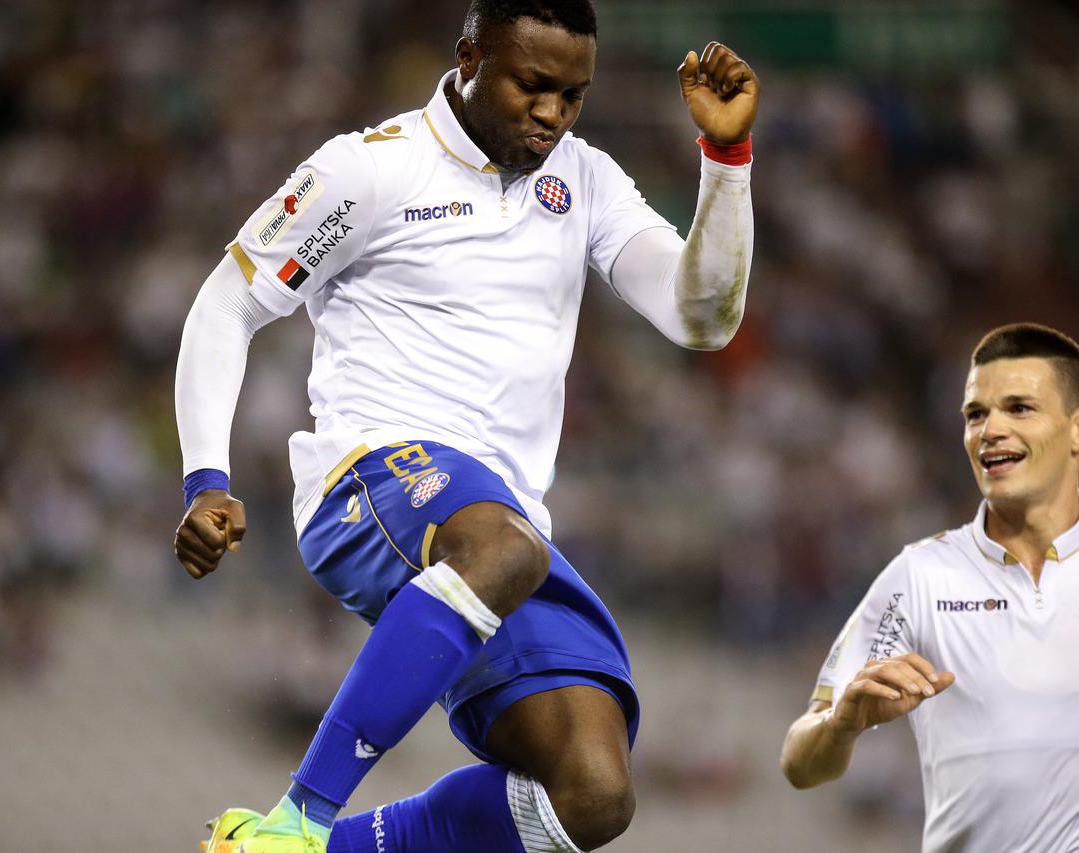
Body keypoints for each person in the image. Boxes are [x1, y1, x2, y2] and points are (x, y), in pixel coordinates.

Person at [174, 1, 759, 850]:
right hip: (368, 477)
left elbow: (699, 317)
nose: (553, 114)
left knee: (593, 793)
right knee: (505, 547)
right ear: (470, 57)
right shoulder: (371, 170)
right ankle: (298, 820)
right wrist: (206, 477)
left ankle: (283, 848)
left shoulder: (586, 181)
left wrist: (726, 161)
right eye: (533, 86)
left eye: (574, 96)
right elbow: (228, 302)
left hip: (502, 528)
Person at [780, 323, 1079, 853]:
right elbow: (799, 764)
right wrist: (842, 725)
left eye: (1019, 408)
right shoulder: (920, 576)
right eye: (975, 414)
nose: (991, 430)